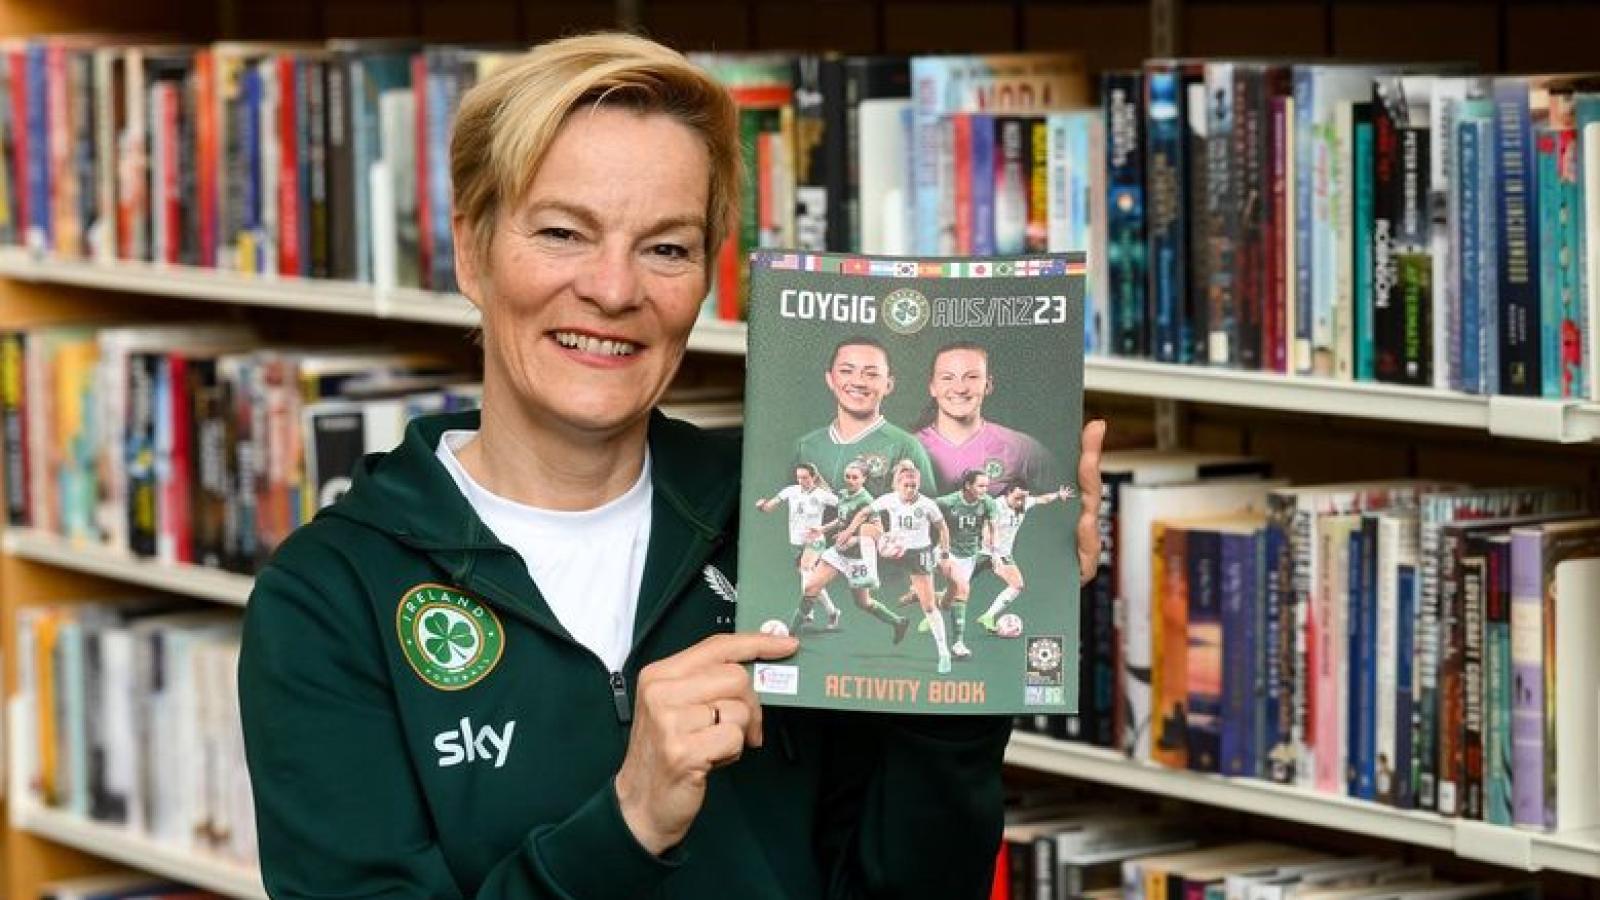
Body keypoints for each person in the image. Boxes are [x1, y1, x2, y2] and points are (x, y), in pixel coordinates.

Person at [239, 32, 1107, 900]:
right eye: (562, 232)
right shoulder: (331, 599)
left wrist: (969, 681)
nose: (614, 290)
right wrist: (630, 821)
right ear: (473, 252)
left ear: (705, 277)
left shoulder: (771, 522)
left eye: (666, 247)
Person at [839, 459, 953, 674]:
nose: (910, 490)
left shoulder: (927, 504)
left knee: (928, 606)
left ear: (918, 485)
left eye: (914, 486)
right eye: (906, 486)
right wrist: (848, 531)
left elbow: (943, 528)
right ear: (898, 485)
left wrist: (944, 552)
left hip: (918, 554)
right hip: (893, 546)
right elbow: (864, 513)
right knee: (866, 528)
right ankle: (872, 576)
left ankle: (944, 653)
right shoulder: (889, 499)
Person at [793, 336, 936, 496]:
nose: (858, 382)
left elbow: (926, 513)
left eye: (871, 374)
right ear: (830, 379)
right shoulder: (806, 446)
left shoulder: (906, 447)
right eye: (846, 371)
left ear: (888, 385)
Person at [915, 341, 1053, 496]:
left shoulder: (1022, 449)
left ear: (988, 384)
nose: (960, 388)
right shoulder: (908, 449)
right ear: (932, 386)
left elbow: (1059, 504)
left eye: (972, 377)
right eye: (947, 378)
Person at [798, 459, 910, 643]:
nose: (849, 480)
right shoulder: (844, 495)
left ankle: (898, 622)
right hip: (839, 553)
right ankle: (794, 630)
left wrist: (854, 539)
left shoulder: (867, 502)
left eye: (854, 477)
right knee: (811, 585)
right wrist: (822, 529)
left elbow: (878, 533)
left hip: (858, 559)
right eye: (847, 476)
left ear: (864, 479)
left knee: (863, 603)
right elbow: (842, 519)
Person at [754, 462, 842, 631]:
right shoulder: (790, 491)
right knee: (811, 580)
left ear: (813, 477)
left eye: (805, 477)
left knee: (806, 569)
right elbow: (769, 507)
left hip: (815, 540)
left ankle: (807, 611)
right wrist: (761, 506)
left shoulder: (822, 495)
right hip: (795, 542)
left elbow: (846, 510)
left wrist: (826, 527)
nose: (801, 480)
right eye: (799, 477)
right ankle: (832, 612)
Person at [975, 480, 1071, 632]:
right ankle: (932, 611)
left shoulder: (1024, 503)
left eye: (1024, 498)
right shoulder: (995, 506)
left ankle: (988, 616)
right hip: (982, 552)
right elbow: (986, 533)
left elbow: (1042, 499)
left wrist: (1058, 495)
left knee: (1017, 585)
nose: (1021, 502)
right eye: (1017, 498)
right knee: (958, 587)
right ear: (1008, 493)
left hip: (1003, 554)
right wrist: (994, 555)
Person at [929, 468, 1001, 659]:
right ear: (968, 485)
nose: (985, 489)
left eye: (987, 486)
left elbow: (994, 529)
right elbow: (926, 509)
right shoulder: (948, 502)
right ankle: (958, 644)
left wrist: (995, 552)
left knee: (952, 598)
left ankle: (929, 600)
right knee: (962, 589)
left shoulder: (988, 503)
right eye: (980, 485)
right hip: (947, 552)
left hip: (969, 556)